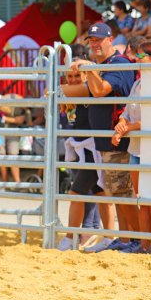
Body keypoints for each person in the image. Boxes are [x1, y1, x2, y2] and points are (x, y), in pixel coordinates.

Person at [61, 22, 138, 253]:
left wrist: (90, 68)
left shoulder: (119, 64)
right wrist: (92, 68)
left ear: (110, 39)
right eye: (91, 41)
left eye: (98, 40)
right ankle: (126, 238)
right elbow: (96, 90)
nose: (94, 44)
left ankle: (134, 239)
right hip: (105, 141)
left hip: (118, 139)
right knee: (115, 192)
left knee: (122, 192)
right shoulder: (104, 65)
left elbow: (103, 90)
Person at [112, 42, 151, 258]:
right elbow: (128, 110)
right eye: (138, 54)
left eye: (143, 55)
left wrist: (127, 127)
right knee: (142, 198)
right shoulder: (137, 83)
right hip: (136, 148)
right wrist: (121, 123)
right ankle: (144, 245)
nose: (138, 58)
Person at [57, 64, 115, 251]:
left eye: (77, 75)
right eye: (69, 76)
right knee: (101, 193)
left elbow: (51, 90)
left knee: (76, 193)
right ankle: (108, 237)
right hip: (82, 150)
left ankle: (70, 237)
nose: (73, 79)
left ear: (85, 76)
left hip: (93, 150)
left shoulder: (89, 90)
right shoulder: (76, 97)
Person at [0, 93, 27, 183]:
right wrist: (14, 119)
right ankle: (5, 183)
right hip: (1, 129)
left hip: (10, 129)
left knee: (12, 155)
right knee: (1, 154)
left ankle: (17, 183)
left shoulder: (1, 97)